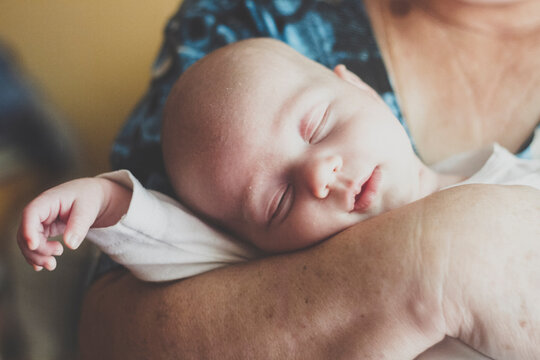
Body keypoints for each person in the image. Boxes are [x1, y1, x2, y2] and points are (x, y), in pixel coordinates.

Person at [18, 38, 540, 359]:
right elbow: (181, 246)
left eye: (317, 126)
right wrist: (108, 203)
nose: (318, 174)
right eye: (277, 204)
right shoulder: (296, 265)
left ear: (358, 85)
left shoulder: (512, 177)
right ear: (252, 240)